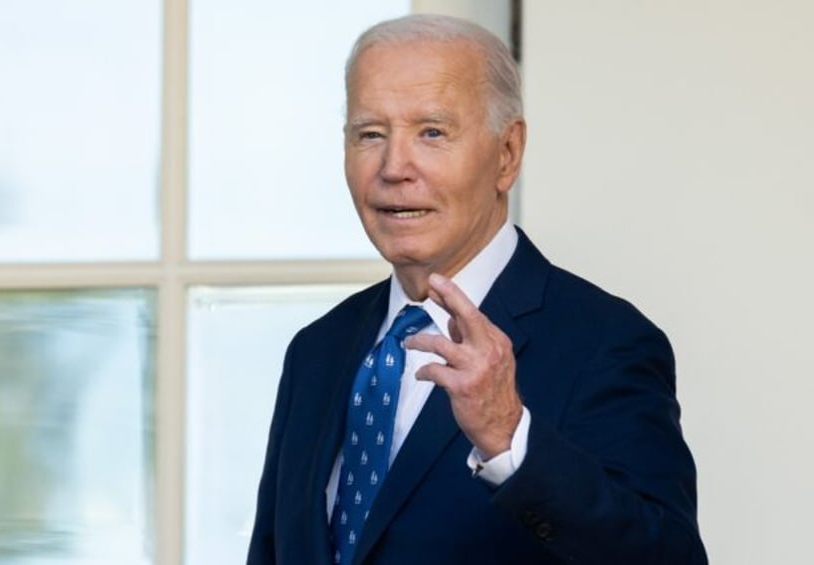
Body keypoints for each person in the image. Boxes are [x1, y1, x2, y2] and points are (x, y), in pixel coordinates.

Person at [247, 14, 707, 565]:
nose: (394, 167)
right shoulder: (317, 350)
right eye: (370, 133)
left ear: (507, 154)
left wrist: (509, 438)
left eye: (432, 133)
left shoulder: (606, 343)